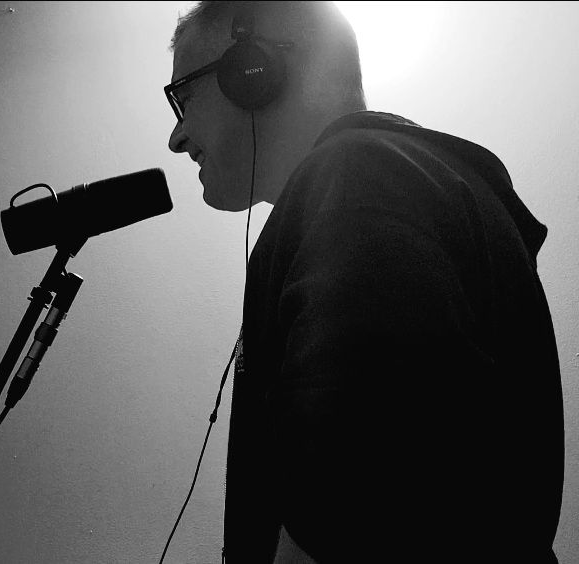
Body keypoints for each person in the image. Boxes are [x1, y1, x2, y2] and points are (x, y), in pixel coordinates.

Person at [165, 2, 564, 562]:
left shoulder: (362, 175)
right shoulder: (396, 184)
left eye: (182, 98)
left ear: (250, 70)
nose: (176, 137)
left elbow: (351, 493)